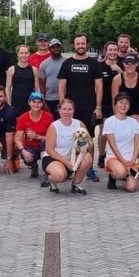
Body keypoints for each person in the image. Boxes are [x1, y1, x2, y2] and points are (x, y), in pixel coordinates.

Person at [57, 34, 104, 180]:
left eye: (83, 43)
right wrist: (62, 107)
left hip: (88, 108)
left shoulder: (94, 63)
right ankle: (69, 166)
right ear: (74, 45)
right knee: (70, 139)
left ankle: (88, 168)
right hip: (71, 110)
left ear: (87, 45)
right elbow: (61, 86)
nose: (80, 46)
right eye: (78, 43)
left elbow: (99, 86)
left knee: (88, 140)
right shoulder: (67, 63)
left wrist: (98, 107)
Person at [42, 99, 91, 194]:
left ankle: (76, 184)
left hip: (72, 157)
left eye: (70, 109)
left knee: (87, 157)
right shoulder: (54, 126)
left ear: (74, 110)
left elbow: (89, 143)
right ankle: (52, 181)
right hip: (54, 158)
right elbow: (50, 150)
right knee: (60, 176)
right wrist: (67, 163)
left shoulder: (79, 124)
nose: (67, 112)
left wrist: (84, 145)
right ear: (59, 110)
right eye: (64, 109)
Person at [101, 91, 139, 192]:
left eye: (126, 103)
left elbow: (137, 144)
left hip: (130, 159)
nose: (124, 105)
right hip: (114, 157)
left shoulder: (134, 122)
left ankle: (127, 176)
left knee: (131, 188)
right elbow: (113, 145)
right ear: (115, 104)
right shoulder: (109, 121)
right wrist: (123, 161)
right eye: (121, 102)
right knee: (120, 172)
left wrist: (133, 160)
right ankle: (113, 176)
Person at [15, 91, 54, 181]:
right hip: (30, 146)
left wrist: (38, 137)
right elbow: (17, 139)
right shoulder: (22, 118)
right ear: (29, 102)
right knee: (28, 158)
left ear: (42, 103)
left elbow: (53, 137)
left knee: (44, 143)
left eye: (39, 102)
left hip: (44, 145)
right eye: (34, 101)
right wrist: (23, 150)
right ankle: (34, 166)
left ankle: (46, 170)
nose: (36, 104)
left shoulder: (48, 117)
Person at [37, 39, 66, 117]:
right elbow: (41, 85)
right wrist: (43, 101)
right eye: (53, 47)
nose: (56, 49)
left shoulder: (67, 62)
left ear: (61, 48)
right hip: (50, 99)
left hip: (65, 98)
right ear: (49, 49)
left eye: (58, 47)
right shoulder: (44, 64)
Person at [6, 44, 37, 114]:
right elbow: (8, 89)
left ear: (29, 54)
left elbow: (37, 88)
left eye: (26, 53)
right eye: (21, 53)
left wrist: (37, 102)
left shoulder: (34, 70)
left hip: (30, 102)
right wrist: (9, 104)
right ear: (17, 54)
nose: (24, 55)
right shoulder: (11, 70)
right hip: (16, 102)